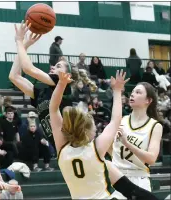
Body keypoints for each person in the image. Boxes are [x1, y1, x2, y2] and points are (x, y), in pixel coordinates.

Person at [49, 71, 158, 200]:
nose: (96, 130)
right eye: (94, 126)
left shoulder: (62, 149)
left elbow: (53, 109)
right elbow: (116, 120)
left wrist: (61, 84)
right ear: (87, 131)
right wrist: (117, 91)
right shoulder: (96, 149)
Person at [9, 21, 95, 150]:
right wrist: (24, 47)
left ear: (68, 75)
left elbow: (28, 69)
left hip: (74, 144)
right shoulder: (41, 94)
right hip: (60, 147)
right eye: (54, 65)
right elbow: (14, 77)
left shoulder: (62, 84)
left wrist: (20, 42)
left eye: (58, 66)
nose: (53, 68)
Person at [111, 82, 163, 199]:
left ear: (148, 101)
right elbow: (110, 149)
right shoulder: (121, 120)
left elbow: (151, 159)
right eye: (133, 91)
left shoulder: (155, 126)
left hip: (139, 180)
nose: (132, 94)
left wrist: (127, 143)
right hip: (117, 178)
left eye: (138, 92)